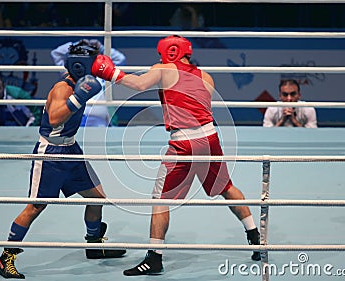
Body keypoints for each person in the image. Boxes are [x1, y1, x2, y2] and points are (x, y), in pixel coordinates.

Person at [91, 35, 261, 276]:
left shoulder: (163, 68)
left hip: (184, 142)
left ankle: (154, 258)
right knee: (226, 187)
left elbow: (139, 85)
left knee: (160, 199)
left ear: (168, 52)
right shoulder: (205, 76)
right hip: (211, 138)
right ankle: (256, 237)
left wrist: (110, 72)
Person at [0, 41, 126, 279]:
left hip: (72, 150)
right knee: (36, 206)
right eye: (94, 62)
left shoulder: (80, 83)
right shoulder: (63, 88)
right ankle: (6, 258)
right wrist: (79, 98)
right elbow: (54, 118)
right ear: (81, 65)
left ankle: (94, 246)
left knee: (97, 198)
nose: (98, 67)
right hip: (51, 154)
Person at [51, 39, 126, 127]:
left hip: (100, 121)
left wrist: (100, 47)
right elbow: (56, 53)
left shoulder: (103, 73)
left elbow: (120, 59)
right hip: (76, 117)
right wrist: (77, 45)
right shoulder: (71, 72)